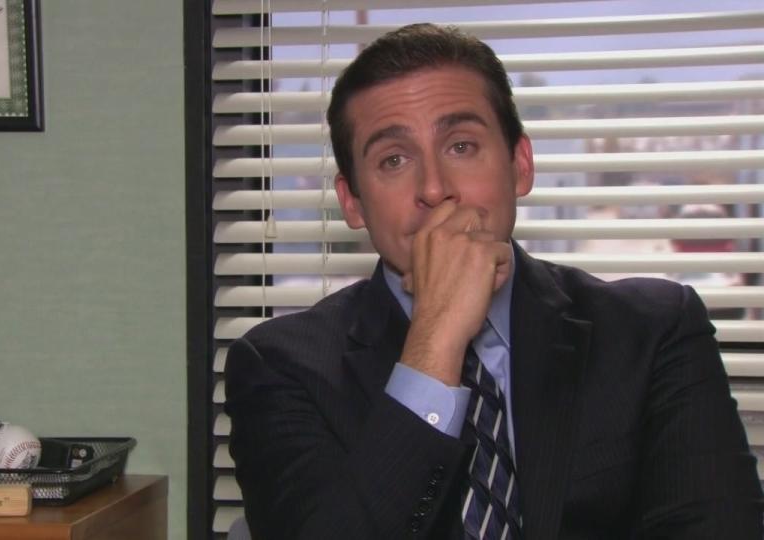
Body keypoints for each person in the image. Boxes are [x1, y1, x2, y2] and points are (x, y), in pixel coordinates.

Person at [224, 24, 762, 539]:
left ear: (519, 165)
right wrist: (434, 343)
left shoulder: (655, 332)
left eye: (461, 146)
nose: (434, 189)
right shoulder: (280, 368)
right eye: (393, 159)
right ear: (353, 202)